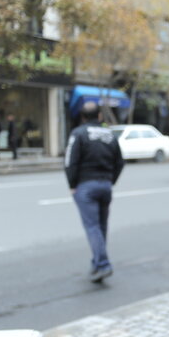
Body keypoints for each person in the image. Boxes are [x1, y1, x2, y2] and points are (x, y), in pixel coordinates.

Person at [65, 101, 124, 283]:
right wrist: (111, 180)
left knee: (92, 227)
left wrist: (72, 184)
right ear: (99, 116)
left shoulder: (78, 133)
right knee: (101, 226)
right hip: (105, 186)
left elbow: (70, 162)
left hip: (86, 186)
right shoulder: (109, 134)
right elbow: (120, 162)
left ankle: (103, 264)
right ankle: (97, 263)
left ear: (83, 117)